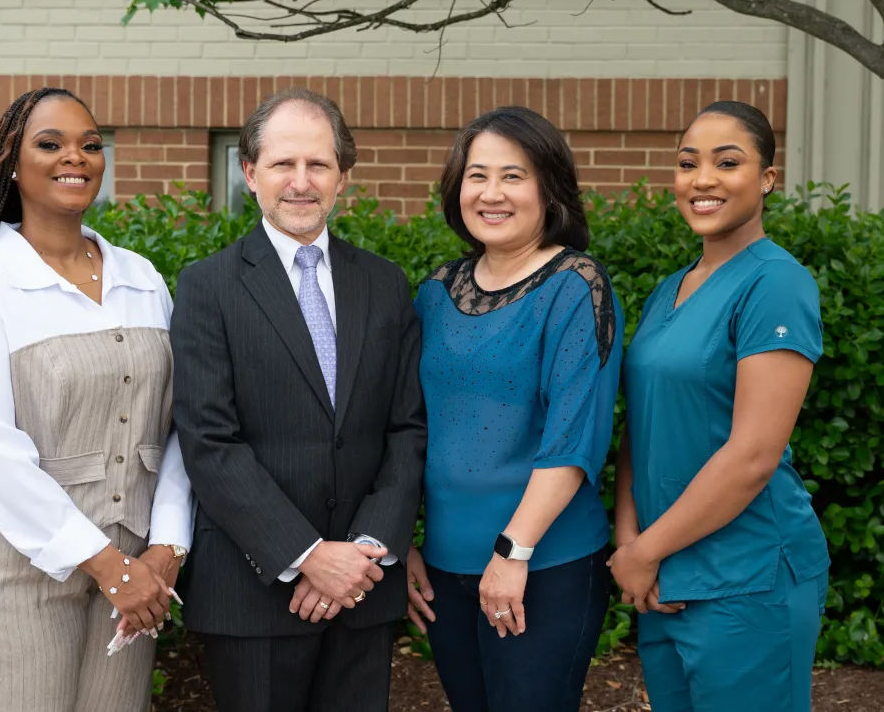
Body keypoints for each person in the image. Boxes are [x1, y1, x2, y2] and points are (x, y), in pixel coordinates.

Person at [0, 87, 194, 712]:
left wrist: (168, 547)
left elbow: (179, 425)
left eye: (91, 145)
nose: (77, 157)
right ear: (12, 162)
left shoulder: (142, 278)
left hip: (129, 576)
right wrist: (105, 565)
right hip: (1, 578)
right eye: (51, 144)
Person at [170, 87, 427, 712]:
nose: (301, 182)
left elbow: (407, 429)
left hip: (364, 589)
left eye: (318, 164)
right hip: (255, 593)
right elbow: (210, 442)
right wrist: (307, 556)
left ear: (344, 176)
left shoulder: (386, 285)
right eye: (284, 164)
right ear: (250, 172)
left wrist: (363, 554)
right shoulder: (207, 286)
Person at [610, 100, 830, 712]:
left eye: (726, 162)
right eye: (688, 163)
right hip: (664, 574)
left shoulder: (777, 283)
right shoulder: (667, 290)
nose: (702, 179)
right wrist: (631, 541)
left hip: (748, 575)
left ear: (766, 179)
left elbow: (754, 454)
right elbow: (641, 426)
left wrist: (644, 552)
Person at [405, 106, 623, 711]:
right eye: (477, 175)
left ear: (549, 188)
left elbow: (573, 438)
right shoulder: (435, 292)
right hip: (445, 567)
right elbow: (406, 429)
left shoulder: (576, 286)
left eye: (513, 175)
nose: (491, 193)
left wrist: (512, 553)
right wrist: (401, 544)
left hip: (544, 564)